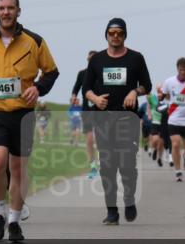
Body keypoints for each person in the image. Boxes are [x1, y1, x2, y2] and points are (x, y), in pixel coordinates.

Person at [0, 0, 59, 244]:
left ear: (19, 11)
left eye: (10, 8)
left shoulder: (34, 41)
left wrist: (38, 88)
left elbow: (51, 72)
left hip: (23, 114)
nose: (6, 12)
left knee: (18, 168)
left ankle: (15, 222)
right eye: (1, 8)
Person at [82, 18, 151, 225]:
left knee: (127, 164)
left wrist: (134, 91)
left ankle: (129, 200)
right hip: (104, 119)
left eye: (119, 33)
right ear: (106, 35)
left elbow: (146, 85)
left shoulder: (136, 58)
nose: (115, 36)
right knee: (108, 166)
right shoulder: (96, 61)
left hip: (127, 118)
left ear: (124, 35)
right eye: (111, 33)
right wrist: (95, 99)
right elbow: (86, 89)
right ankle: (111, 210)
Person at [71, 51, 99, 179]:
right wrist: (73, 96)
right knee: (89, 140)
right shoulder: (82, 74)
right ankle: (92, 166)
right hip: (87, 111)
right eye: (90, 60)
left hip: (101, 111)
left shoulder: (103, 74)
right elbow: (76, 88)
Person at [146, 88, 168, 166]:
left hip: (163, 124)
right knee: (155, 140)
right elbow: (147, 96)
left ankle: (159, 158)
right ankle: (155, 149)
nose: (160, 94)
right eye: (158, 92)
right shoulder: (153, 99)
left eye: (161, 92)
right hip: (155, 122)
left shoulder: (167, 101)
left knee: (161, 143)